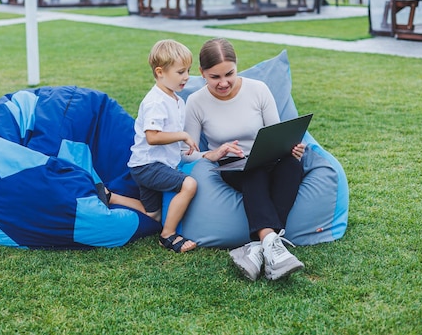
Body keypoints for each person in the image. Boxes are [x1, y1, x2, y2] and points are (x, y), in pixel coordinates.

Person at [183, 38, 306, 280]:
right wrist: (212, 154)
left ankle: (258, 247)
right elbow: (185, 154)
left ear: (237, 65)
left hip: (268, 158)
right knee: (254, 172)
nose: (224, 82)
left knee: (292, 167)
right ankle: (274, 248)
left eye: (229, 73)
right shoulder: (196, 102)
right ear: (202, 73)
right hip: (233, 165)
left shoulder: (258, 89)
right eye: (214, 77)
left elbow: (276, 132)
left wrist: (291, 148)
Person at [128, 39, 200, 253]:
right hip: (148, 165)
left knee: (153, 216)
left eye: (188, 70)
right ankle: (167, 235)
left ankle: (112, 196)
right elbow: (152, 137)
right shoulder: (156, 101)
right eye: (180, 72)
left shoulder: (176, 100)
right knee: (189, 185)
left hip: (150, 165)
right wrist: (183, 135)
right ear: (160, 72)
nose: (186, 76)